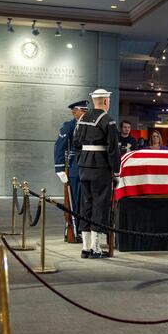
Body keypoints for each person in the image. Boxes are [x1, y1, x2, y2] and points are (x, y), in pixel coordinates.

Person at [74, 89, 120, 259]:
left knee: (86, 204)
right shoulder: (107, 120)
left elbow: (76, 145)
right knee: (100, 205)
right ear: (106, 101)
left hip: (84, 166)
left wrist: (82, 160)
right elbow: (113, 149)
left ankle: (85, 247)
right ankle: (96, 248)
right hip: (100, 167)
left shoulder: (81, 119)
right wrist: (116, 171)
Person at [54, 100, 88, 240]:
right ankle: (73, 231)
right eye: (83, 111)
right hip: (74, 168)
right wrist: (60, 169)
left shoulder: (89, 125)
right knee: (73, 202)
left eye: (86, 111)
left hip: (87, 168)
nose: (85, 113)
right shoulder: (69, 126)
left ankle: (81, 230)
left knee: (84, 203)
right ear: (75, 112)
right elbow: (59, 147)